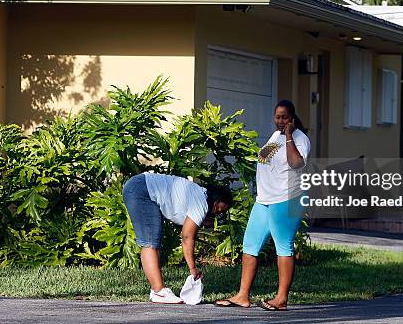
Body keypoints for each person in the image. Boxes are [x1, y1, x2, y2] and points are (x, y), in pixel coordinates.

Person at [215, 99, 310, 311]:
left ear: (292, 118)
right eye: (277, 117)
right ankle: (242, 296)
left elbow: (296, 163)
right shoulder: (275, 136)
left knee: (283, 246)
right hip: (265, 200)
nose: (280, 121)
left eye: (284, 117)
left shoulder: (299, 138)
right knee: (250, 245)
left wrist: (288, 136)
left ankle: (282, 299)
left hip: (286, 199)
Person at [122, 172, 233, 304]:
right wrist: (193, 269)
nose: (217, 215)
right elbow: (187, 236)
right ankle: (159, 291)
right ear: (216, 201)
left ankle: (157, 290)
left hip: (140, 186)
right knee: (150, 242)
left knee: (153, 240)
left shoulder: (200, 196)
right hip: (141, 190)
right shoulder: (201, 204)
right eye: (218, 210)